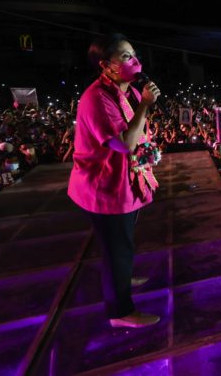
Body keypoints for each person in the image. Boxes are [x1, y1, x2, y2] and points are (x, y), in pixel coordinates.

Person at [68, 33, 161, 328]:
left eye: (133, 54)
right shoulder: (96, 98)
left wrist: (148, 150)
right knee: (117, 247)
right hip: (105, 189)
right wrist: (146, 105)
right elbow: (123, 143)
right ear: (105, 65)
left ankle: (122, 276)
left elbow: (139, 135)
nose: (135, 61)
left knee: (122, 245)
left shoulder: (128, 91)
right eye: (125, 56)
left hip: (125, 183)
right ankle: (120, 313)